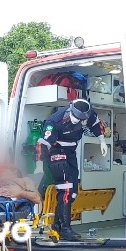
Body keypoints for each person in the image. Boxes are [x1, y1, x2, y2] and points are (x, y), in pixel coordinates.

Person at [36, 99, 107, 240]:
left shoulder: (87, 116)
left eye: (81, 120)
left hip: (70, 153)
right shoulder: (54, 121)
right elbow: (43, 144)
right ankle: (66, 229)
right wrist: (39, 167)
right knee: (65, 188)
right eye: (76, 118)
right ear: (70, 111)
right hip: (56, 152)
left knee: (73, 191)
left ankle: (57, 224)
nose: (77, 121)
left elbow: (96, 124)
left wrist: (102, 141)